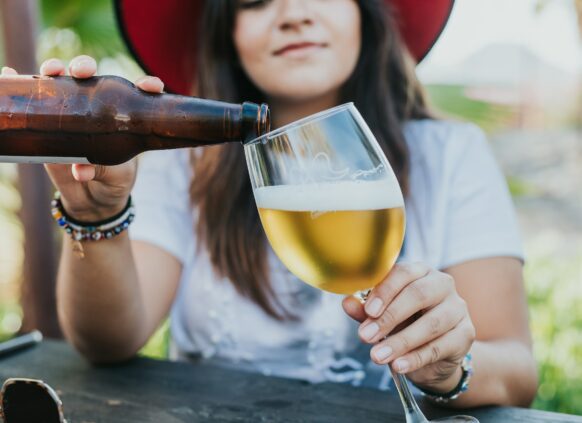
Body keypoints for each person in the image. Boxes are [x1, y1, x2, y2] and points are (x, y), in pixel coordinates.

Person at [6, 0, 538, 408]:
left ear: (365, 14)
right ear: (226, 32)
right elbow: (108, 342)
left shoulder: (451, 152)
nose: (291, 14)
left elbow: (518, 372)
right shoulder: (179, 162)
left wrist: (450, 368)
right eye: (255, 0)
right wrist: (96, 213)